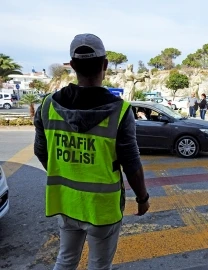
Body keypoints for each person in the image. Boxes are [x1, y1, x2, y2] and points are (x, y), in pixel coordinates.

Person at [33, 33, 150, 270]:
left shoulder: (47, 105)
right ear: (105, 64)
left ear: (73, 65)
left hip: (66, 202)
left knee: (65, 259)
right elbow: (131, 163)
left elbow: (40, 151)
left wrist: (68, 169)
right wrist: (142, 198)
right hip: (103, 208)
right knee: (98, 266)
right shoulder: (120, 110)